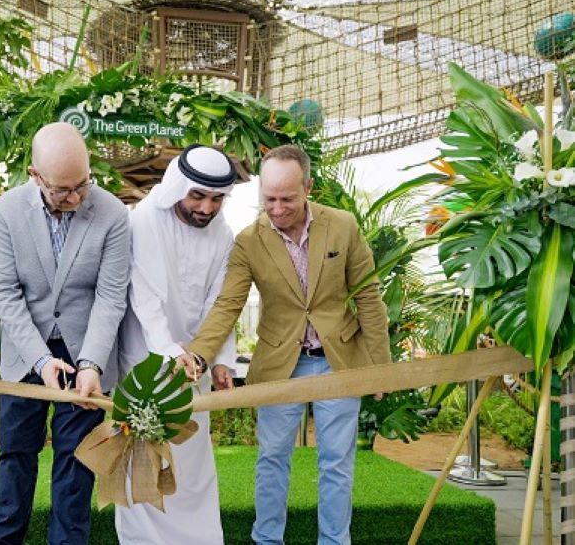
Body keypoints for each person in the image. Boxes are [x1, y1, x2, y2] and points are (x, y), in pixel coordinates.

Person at [187, 144, 391, 544]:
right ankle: (267, 541)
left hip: (339, 360)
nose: (277, 209)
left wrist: (381, 367)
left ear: (309, 187)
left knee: (336, 464)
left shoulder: (343, 226)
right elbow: (228, 304)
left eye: (287, 199)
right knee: (272, 460)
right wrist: (198, 355)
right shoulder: (248, 241)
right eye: (269, 199)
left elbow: (368, 296)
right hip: (280, 362)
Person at [0, 122, 130, 544]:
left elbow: (110, 297)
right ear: (35, 176)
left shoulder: (114, 213)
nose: (76, 198)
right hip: (23, 353)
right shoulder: (6, 211)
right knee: (15, 460)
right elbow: (6, 295)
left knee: (76, 466)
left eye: (82, 185)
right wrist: (41, 361)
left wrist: (91, 363)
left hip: (88, 353)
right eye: (63, 190)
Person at [115, 144, 238, 544]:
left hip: (194, 368)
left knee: (193, 466)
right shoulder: (146, 220)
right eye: (198, 195)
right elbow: (145, 297)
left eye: (217, 199)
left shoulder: (224, 234)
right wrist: (170, 353)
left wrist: (219, 359)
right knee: (143, 461)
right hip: (146, 362)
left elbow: (221, 303)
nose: (206, 207)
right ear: (177, 187)